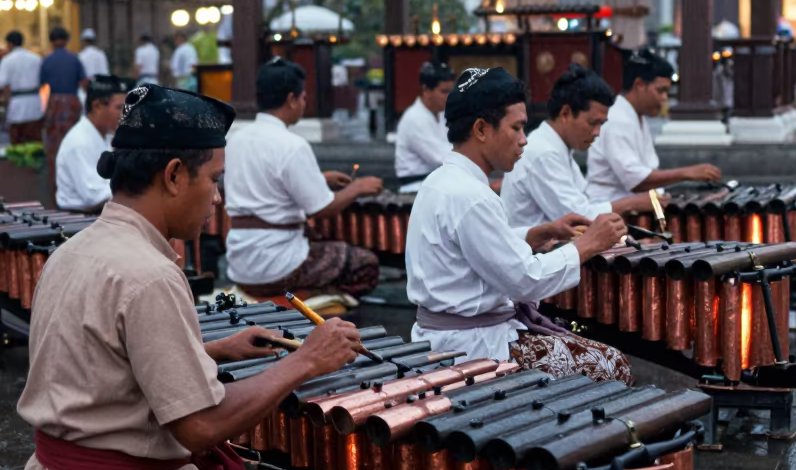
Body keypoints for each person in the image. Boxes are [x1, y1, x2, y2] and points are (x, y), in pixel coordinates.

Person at [18, 85, 368, 470]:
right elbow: (200, 427)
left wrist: (212, 349)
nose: (218, 199)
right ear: (175, 175)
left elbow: (95, 367)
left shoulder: (76, 250)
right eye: (214, 180)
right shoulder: (148, 274)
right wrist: (306, 361)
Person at [406, 66, 632, 382]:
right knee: (613, 365)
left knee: (594, 351)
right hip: (474, 350)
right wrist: (587, 245)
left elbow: (474, 247)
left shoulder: (441, 181)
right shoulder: (472, 196)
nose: (524, 140)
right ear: (482, 129)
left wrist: (534, 233)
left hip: (453, 337)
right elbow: (526, 280)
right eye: (517, 128)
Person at [225, 58, 384, 297]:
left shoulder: (236, 139)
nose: (304, 102)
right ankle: (305, 302)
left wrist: (318, 178)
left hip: (240, 264)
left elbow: (266, 181)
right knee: (366, 264)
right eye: (303, 97)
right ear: (291, 100)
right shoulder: (293, 145)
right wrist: (358, 188)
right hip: (279, 265)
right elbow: (322, 209)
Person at [501, 64, 659, 228]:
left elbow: (585, 202)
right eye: (593, 123)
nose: (597, 132)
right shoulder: (543, 153)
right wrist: (631, 203)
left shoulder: (558, 147)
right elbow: (578, 218)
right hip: (535, 251)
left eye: (601, 124)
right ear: (565, 114)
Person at [586, 49, 721, 205]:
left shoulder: (635, 116)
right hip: (610, 210)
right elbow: (636, 181)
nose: (664, 98)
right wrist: (686, 173)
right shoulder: (617, 119)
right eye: (661, 91)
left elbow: (646, 172)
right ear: (639, 85)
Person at [56, 75, 129, 212]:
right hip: (78, 220)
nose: (124, 114)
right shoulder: (79, 140)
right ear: (97, 107)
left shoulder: (108, 135)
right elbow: (93, 196)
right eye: (119, 108)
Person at [41, 27, 86, 193]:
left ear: (51, 41)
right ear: (67, 40)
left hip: (54, 103)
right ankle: (75, 182)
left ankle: (57, 184)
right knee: (74, 140)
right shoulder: (74, 59)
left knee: (54, 145)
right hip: (73, 102)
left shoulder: (47, 60)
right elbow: (83, 82)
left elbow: (42, 84)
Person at [394, 61, 455, 187]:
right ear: (426, 90)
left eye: (451, 91)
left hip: (438, 183)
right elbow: (441, 158)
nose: (450, 97)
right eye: (444, 92)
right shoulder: (414, 118)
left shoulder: (441, 115)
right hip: (416, 187)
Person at [0, 30, 44, 145]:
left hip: (16, 104)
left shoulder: (7, 60)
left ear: (9, 44)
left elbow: (5, 85)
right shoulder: (36, 58)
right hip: (34, 102)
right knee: (35, 142)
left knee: (17, 142)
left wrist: (6, 104)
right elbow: (43, 82)